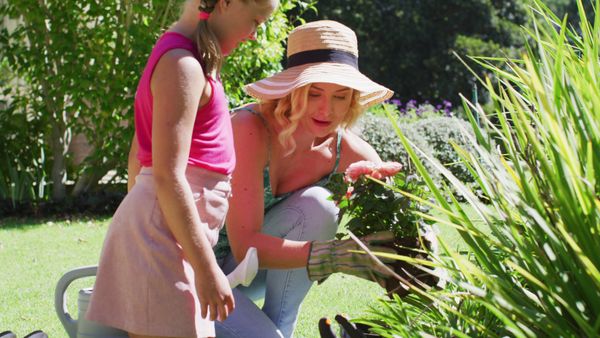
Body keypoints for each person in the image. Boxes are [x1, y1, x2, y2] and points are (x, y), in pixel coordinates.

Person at [85, 0, 279, 337]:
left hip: (167, 234)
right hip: (163, 236)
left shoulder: (190, 58)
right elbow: (166, 173)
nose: (253, 35)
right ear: (226, 3)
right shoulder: (182, 64)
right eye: (255, 21)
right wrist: (205, 269)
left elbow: (138, 152)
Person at [214, 20, 396, 338]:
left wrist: (407, 253)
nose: (327, 109)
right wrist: (337, 256)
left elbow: (396, 228)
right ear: (293, 89)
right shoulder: (249, 129)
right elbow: (245, 248)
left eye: (340, 97)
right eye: (314, 93)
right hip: (193, 275)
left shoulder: (346, 151)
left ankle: (280, 326)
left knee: (319, 204)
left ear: (352, 100)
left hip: (243, 276)